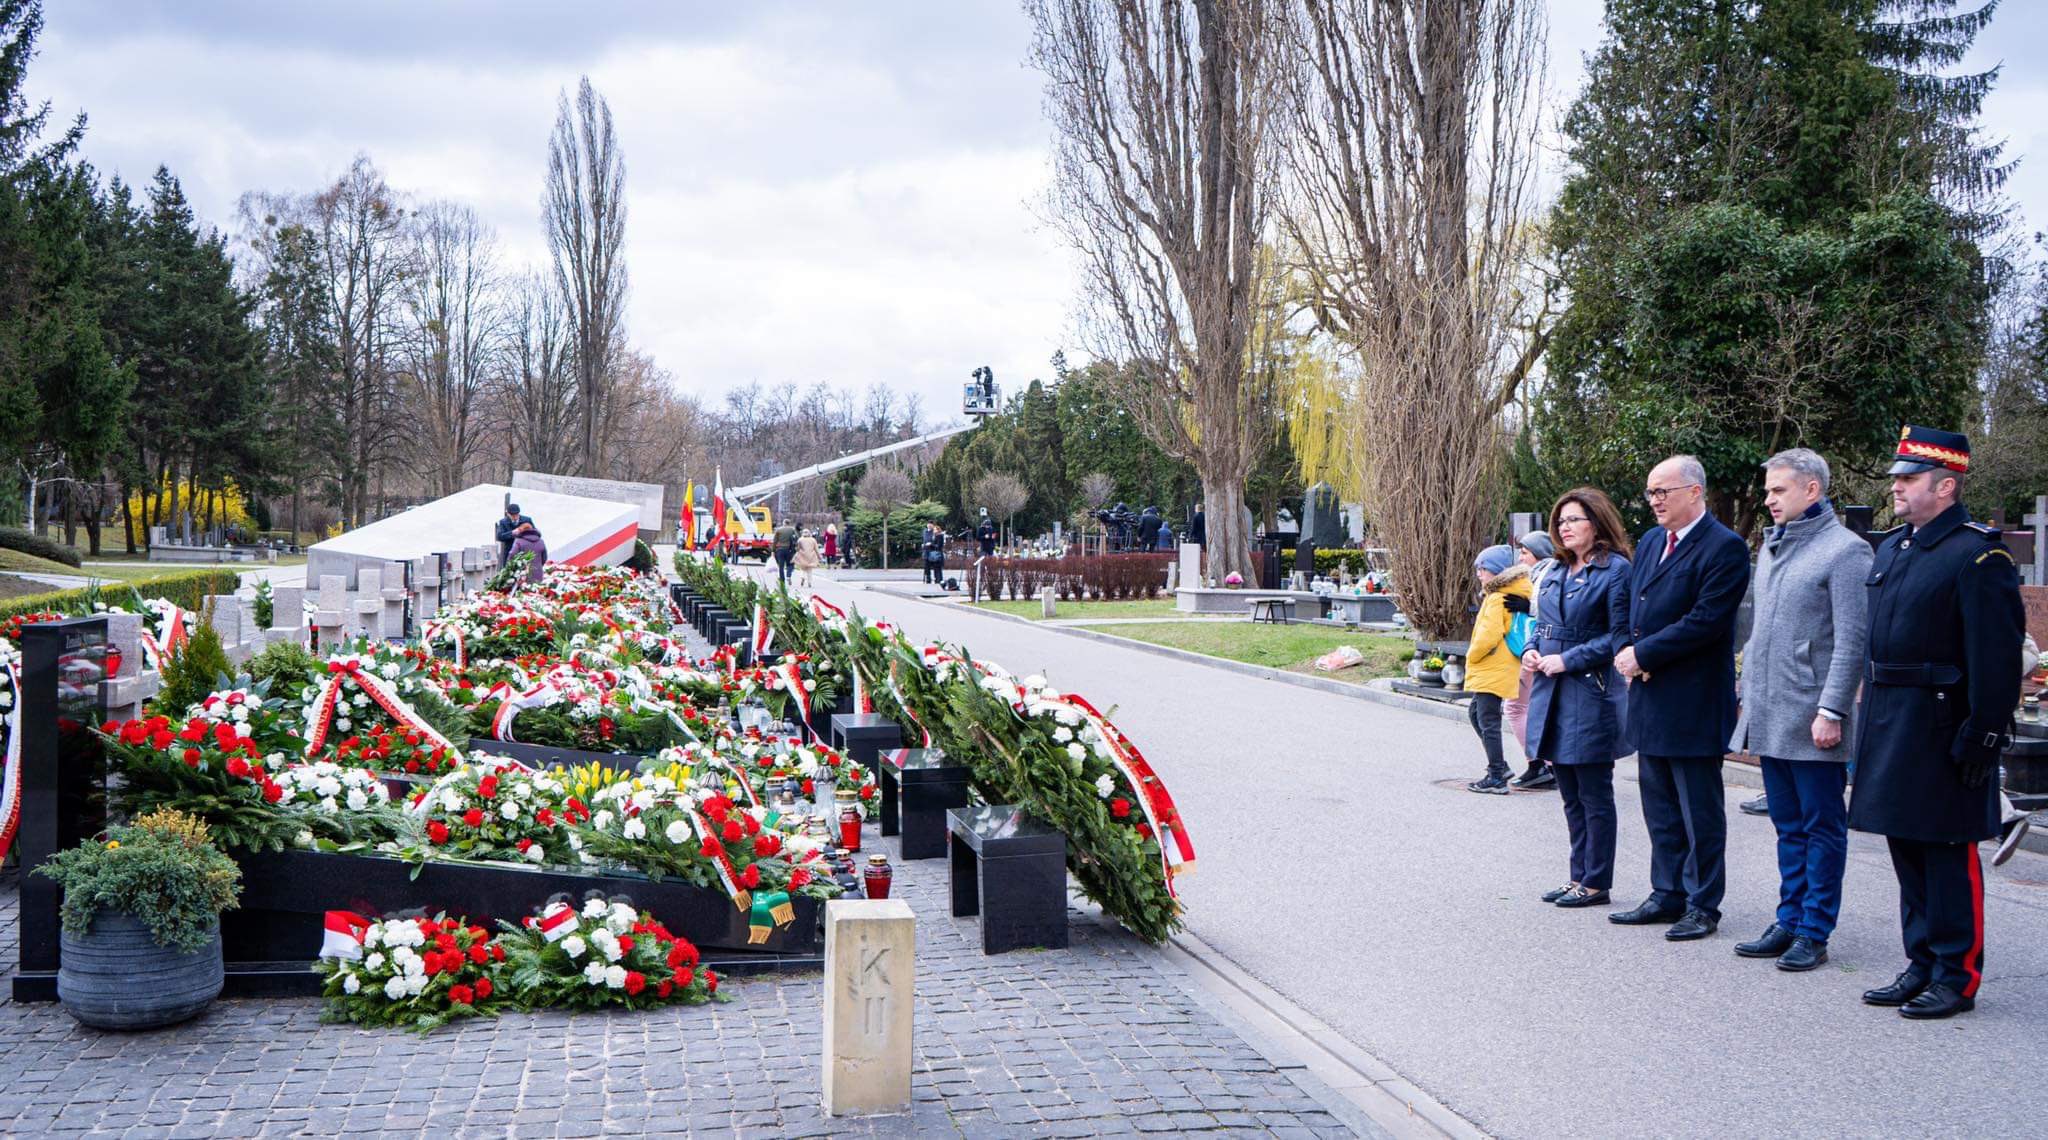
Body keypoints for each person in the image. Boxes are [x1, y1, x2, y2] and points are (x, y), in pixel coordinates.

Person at [1850, 425, 2023, 1020]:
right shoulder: (1896, 547)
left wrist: (1984, 733)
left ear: (1946, 486)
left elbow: (1996, 658)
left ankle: (1956, 973)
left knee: (1946, 852)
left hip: (1945, 724)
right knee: (1907, 847)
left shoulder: (1979, 553)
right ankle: (1920, 961)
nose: (1896, 487)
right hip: (1892, 720)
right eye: (1897, 477)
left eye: (1909, 478)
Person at [1728, 449, 1872, 973]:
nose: (1768, 500)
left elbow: (1851, 641)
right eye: (1767, 491)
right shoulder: (1773, 547)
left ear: (1812, 490)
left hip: (1814, 715)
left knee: (1821, 826)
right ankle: (1788, 918)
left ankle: (1815, 928)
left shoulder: (1845, 551)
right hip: (1771, 708)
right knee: (1788, 825)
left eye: (1778, 490)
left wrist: (1832, 709)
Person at [1611, 455, 1751, 941]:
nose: (1654, 501)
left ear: (1695, 492)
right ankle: (1665, 892)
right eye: (1650, 493)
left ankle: (1702, 903)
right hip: (1649, 696)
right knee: (1660, 806)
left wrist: (1642, 654)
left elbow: (1706, 622)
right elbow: (1633, 602)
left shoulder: (1725, 548)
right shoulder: (1652, 542)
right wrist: (1625, 649)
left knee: (1699, 811)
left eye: (1663, 492)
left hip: (1692, 699)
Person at [1523, 489, 1634, 908]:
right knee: (1568, 790)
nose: (1565, 528)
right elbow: (1541, 623)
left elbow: (1618, 637)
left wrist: (1568, 659)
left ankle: (1596, 881)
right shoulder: (1555, 568)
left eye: (1574, 520)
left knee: (1593, 791)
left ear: (1597, 522)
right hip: (1551, 686)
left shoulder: (1615, 570)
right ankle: (1577, 876)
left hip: (1590, 688)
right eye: (1561, 521)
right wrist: (1532, 648)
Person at [1465, 545, 1533, 794]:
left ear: (1494, 570)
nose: (1479, 574)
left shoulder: (1496, 598)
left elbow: (1488, 635)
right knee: (1476, 714)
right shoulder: (1510, 594)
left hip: (1492, 664)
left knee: (1488, 720)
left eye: (1483, 568)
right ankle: (1500, 766)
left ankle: (1496, 775)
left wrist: (1471, 655)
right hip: (1499, 665)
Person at [1506, 531, 1558, 789]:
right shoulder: (1539, 573)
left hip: (1536, 649)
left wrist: (1526, 607)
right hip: (1538, 647)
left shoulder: (1546, 572)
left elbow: (1549, 608)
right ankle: (1547, 765)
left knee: (1515, 708)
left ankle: (1538, 764)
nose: (1521, 557)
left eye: (1525, 552)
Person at [772, 519, 798, 586]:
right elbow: (797, 538)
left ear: (783, 523)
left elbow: (775, 541)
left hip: (780, 550)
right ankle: (788, 576)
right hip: (789, 550)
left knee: (781, 566)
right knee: (790, 564)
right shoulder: (792, 530)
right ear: (789, 523)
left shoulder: (778, 530)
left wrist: (773, 550)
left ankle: (782, 580)